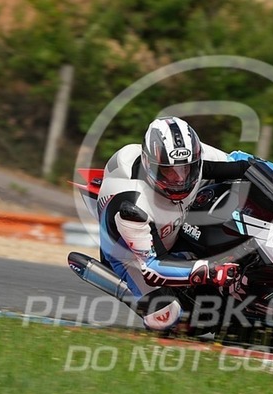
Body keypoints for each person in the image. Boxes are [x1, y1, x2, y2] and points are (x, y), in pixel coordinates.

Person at [96, 116, 252, 331]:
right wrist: (211, 270)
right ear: (150, 165)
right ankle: (126, 290)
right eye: (168, 171)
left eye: (186, 169)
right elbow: (153, 267)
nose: (179, 179)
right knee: (167, 318)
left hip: (174, 226)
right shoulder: (131, 203)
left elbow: (243, 163)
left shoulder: (192, 157)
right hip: (133, 255)